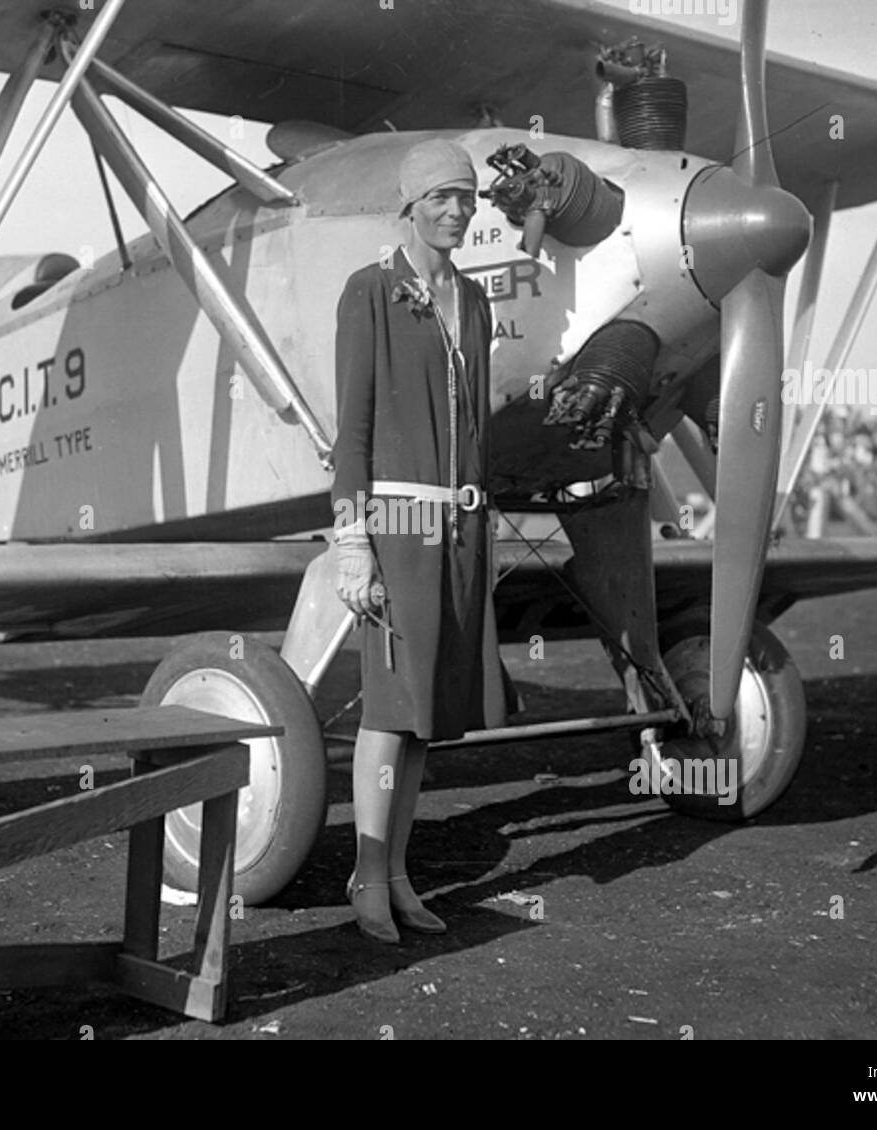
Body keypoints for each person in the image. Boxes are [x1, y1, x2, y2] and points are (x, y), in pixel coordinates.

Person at [331, 138, 508, 943]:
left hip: (461, 527)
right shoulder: (368, 292)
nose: (457, 210)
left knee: (428, 711)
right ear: (409, 205)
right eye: (440, 197)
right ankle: (366, 875)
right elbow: (353, 432)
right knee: (391, 706)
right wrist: (352, 543)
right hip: (397, 523)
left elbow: (474, 430)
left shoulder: (473, 302)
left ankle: (399, 875)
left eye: (466, 198)